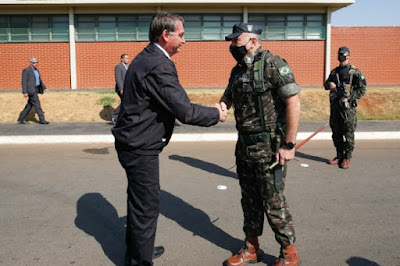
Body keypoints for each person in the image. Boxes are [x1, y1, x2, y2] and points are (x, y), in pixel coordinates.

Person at [111, 11, 227, 266]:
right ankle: (141, 261)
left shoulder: (146, 57)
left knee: (138, 202)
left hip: (133, 142)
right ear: (166, 35)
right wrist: (216, 113)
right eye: (181, 35)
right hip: (139, 146)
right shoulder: (158, 64)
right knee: (147, 206)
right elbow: (184, 110)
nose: (185, 40)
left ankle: (138, 250)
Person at [219, 22, 301, 266]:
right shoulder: (237, 71)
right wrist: (220, 108)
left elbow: (293, 103)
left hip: (269, 148)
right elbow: (227, 98)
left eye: (237, 41)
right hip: (244, 147)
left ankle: (289, 252)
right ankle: (251, 247)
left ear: (252, 41)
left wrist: (289, 144)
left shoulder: (274, 64)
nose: (233, 46)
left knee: (273, 201)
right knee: (249, 200)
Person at [324, 46, 366, 169]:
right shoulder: (334, 72)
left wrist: (350, 97)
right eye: (339, 54)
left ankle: (347, 158)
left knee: (348, 133)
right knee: (336, 132)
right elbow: (326, 85)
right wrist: (330, 84)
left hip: (348, 108)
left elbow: (362, 88)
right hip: (335, 106)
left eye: (343, 54)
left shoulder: (355, 72)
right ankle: (339, 156)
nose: (340, 57)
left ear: (348, 56)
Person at [17, 57, 49, 124]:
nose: (36, 64)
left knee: (29, 105)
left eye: (37, 62)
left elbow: (40, 81)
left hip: (36, 89)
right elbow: (24, 81)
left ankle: (21, 119)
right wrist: (25, 92)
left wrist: (44, 88)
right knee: (37, 104)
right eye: (34, 62)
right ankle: (42, 119)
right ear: (31, 63)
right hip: (31, 90)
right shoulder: (26, 70)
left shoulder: (36, 70)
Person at [111, 54, 129, 125]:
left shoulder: (126, 67)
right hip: (121, 89)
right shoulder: (119, 66)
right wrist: (121, 88)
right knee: (125, 102)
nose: (128, 60)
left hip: (126, 88)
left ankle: (120, 117)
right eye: (126, 58)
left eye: (128, 58)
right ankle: (114, 115)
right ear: (122, 59)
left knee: (125, 103)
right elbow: (118, 78)